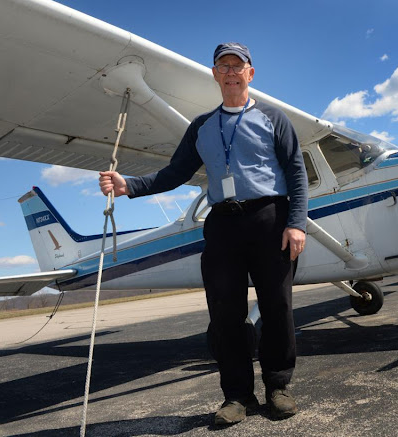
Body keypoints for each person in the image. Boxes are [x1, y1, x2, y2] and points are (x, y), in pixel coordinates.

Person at [99, 42, 308, 425]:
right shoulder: (202, 127)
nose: (230, 72)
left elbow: (296, 170)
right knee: (225, 313)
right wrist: (130, 185)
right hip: (223, 224)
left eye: (237, 66)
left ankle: (278, 387)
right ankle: (237, 396)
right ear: (215, 74)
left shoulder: (273, 118)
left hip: (270, 219)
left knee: (277, 307)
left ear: (250, 73)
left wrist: (296, 222)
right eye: (223, 66)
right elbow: (175, 172)